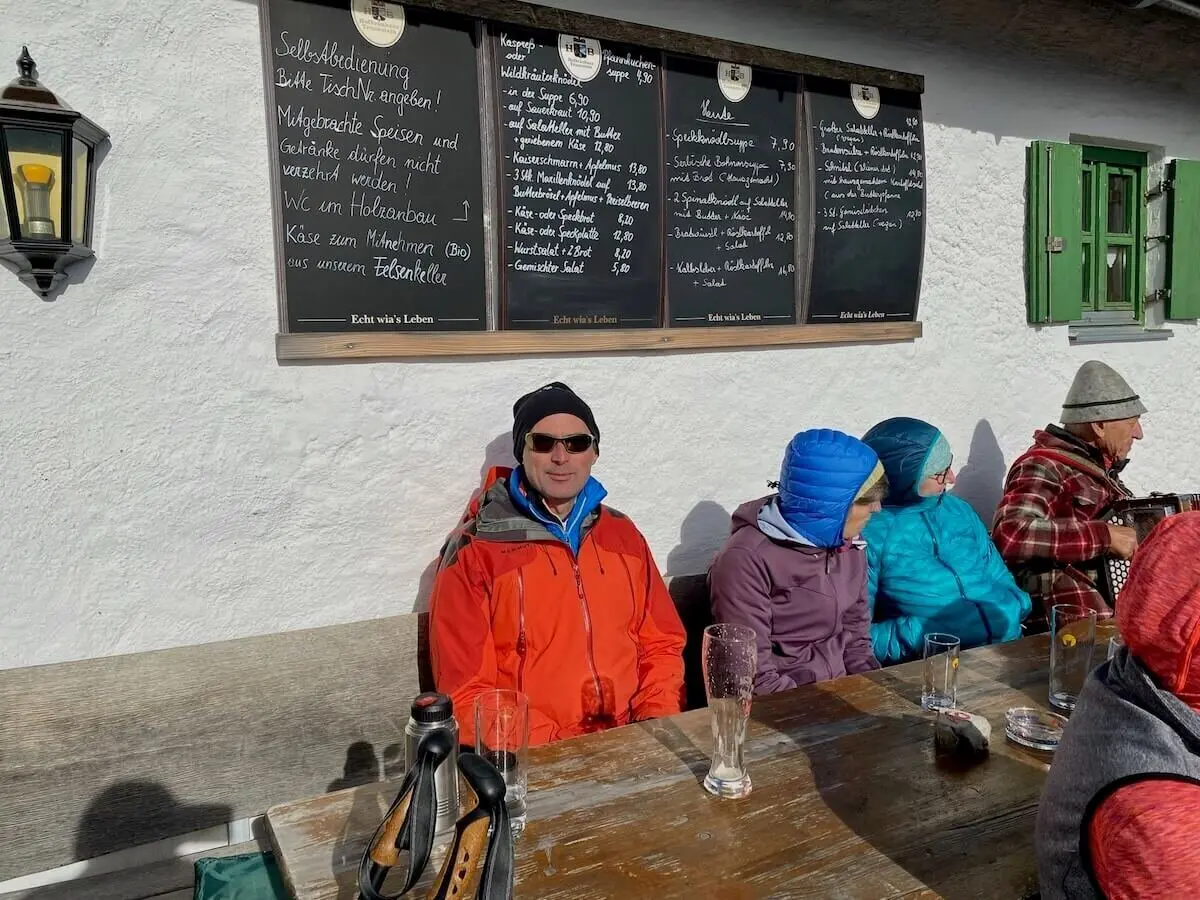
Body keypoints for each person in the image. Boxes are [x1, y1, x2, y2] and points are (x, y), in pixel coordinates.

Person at [428, 382, 686, 747]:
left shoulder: (623, 535)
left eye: (577, 443)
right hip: (537, 757)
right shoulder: (476, 551)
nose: (561, 457)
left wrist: (653, 726)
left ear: (594, 452)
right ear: (523, 451)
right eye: (544, 442)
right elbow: (470, 696)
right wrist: (564, 749)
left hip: (635, 740)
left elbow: (661, 645)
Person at [1035, 512, 1200, 899]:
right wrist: (1101, 534)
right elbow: (1014, 533)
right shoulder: (1160, 819)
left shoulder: (1135, 673)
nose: (1135, 444)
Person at [707, 428, 886, 695]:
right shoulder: (745, 559)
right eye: (867, 501)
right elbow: (751, 673)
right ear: (831, 505)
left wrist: (871, 690)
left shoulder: (848, 543)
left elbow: (856, 635)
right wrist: (818, 709)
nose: (877, 508)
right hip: (785, 703)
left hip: (839, 692)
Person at [861, 417, 1031, 665]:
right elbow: (856, 635)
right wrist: (916, 635)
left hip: (1006, 648)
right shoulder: (871, 531)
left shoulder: (959, 510)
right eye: (939, 473)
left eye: (949, 465)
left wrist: (1015, 604)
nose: (951, 478)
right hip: (934, 668)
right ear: (904, 476)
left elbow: (995, 571)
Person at [992, 360, 1145, 629]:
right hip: (1067, 623)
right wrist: (1104, 536)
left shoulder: (1099, 469)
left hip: (1100, 619)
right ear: (1099, 425)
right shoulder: (1042, 466)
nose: (1139, 433)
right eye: (1132, 423)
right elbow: (1011, 532)